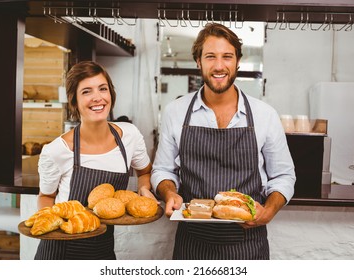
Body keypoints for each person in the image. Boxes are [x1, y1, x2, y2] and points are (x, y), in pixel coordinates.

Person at [151, 23, 296, 260]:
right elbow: (163, 170)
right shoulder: (175, 111)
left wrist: (268, 211)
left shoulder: (264, 114)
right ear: (198, 61)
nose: (219, 66)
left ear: (238, 60)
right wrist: (169, 193)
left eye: (227, 56)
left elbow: (283, 176)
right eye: (210, 57)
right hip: (192, 242)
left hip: (248, 242)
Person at [35, 61, 155, 260]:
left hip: (103, 250)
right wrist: (53, 224)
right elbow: (46, 197)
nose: (97, 97)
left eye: (103, 89)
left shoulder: (129, 136)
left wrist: (144, 190)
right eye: (86, 92)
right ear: (74, 101)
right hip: (60, 252)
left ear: (111, 94)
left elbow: (144, 171)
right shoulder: (58, 150)